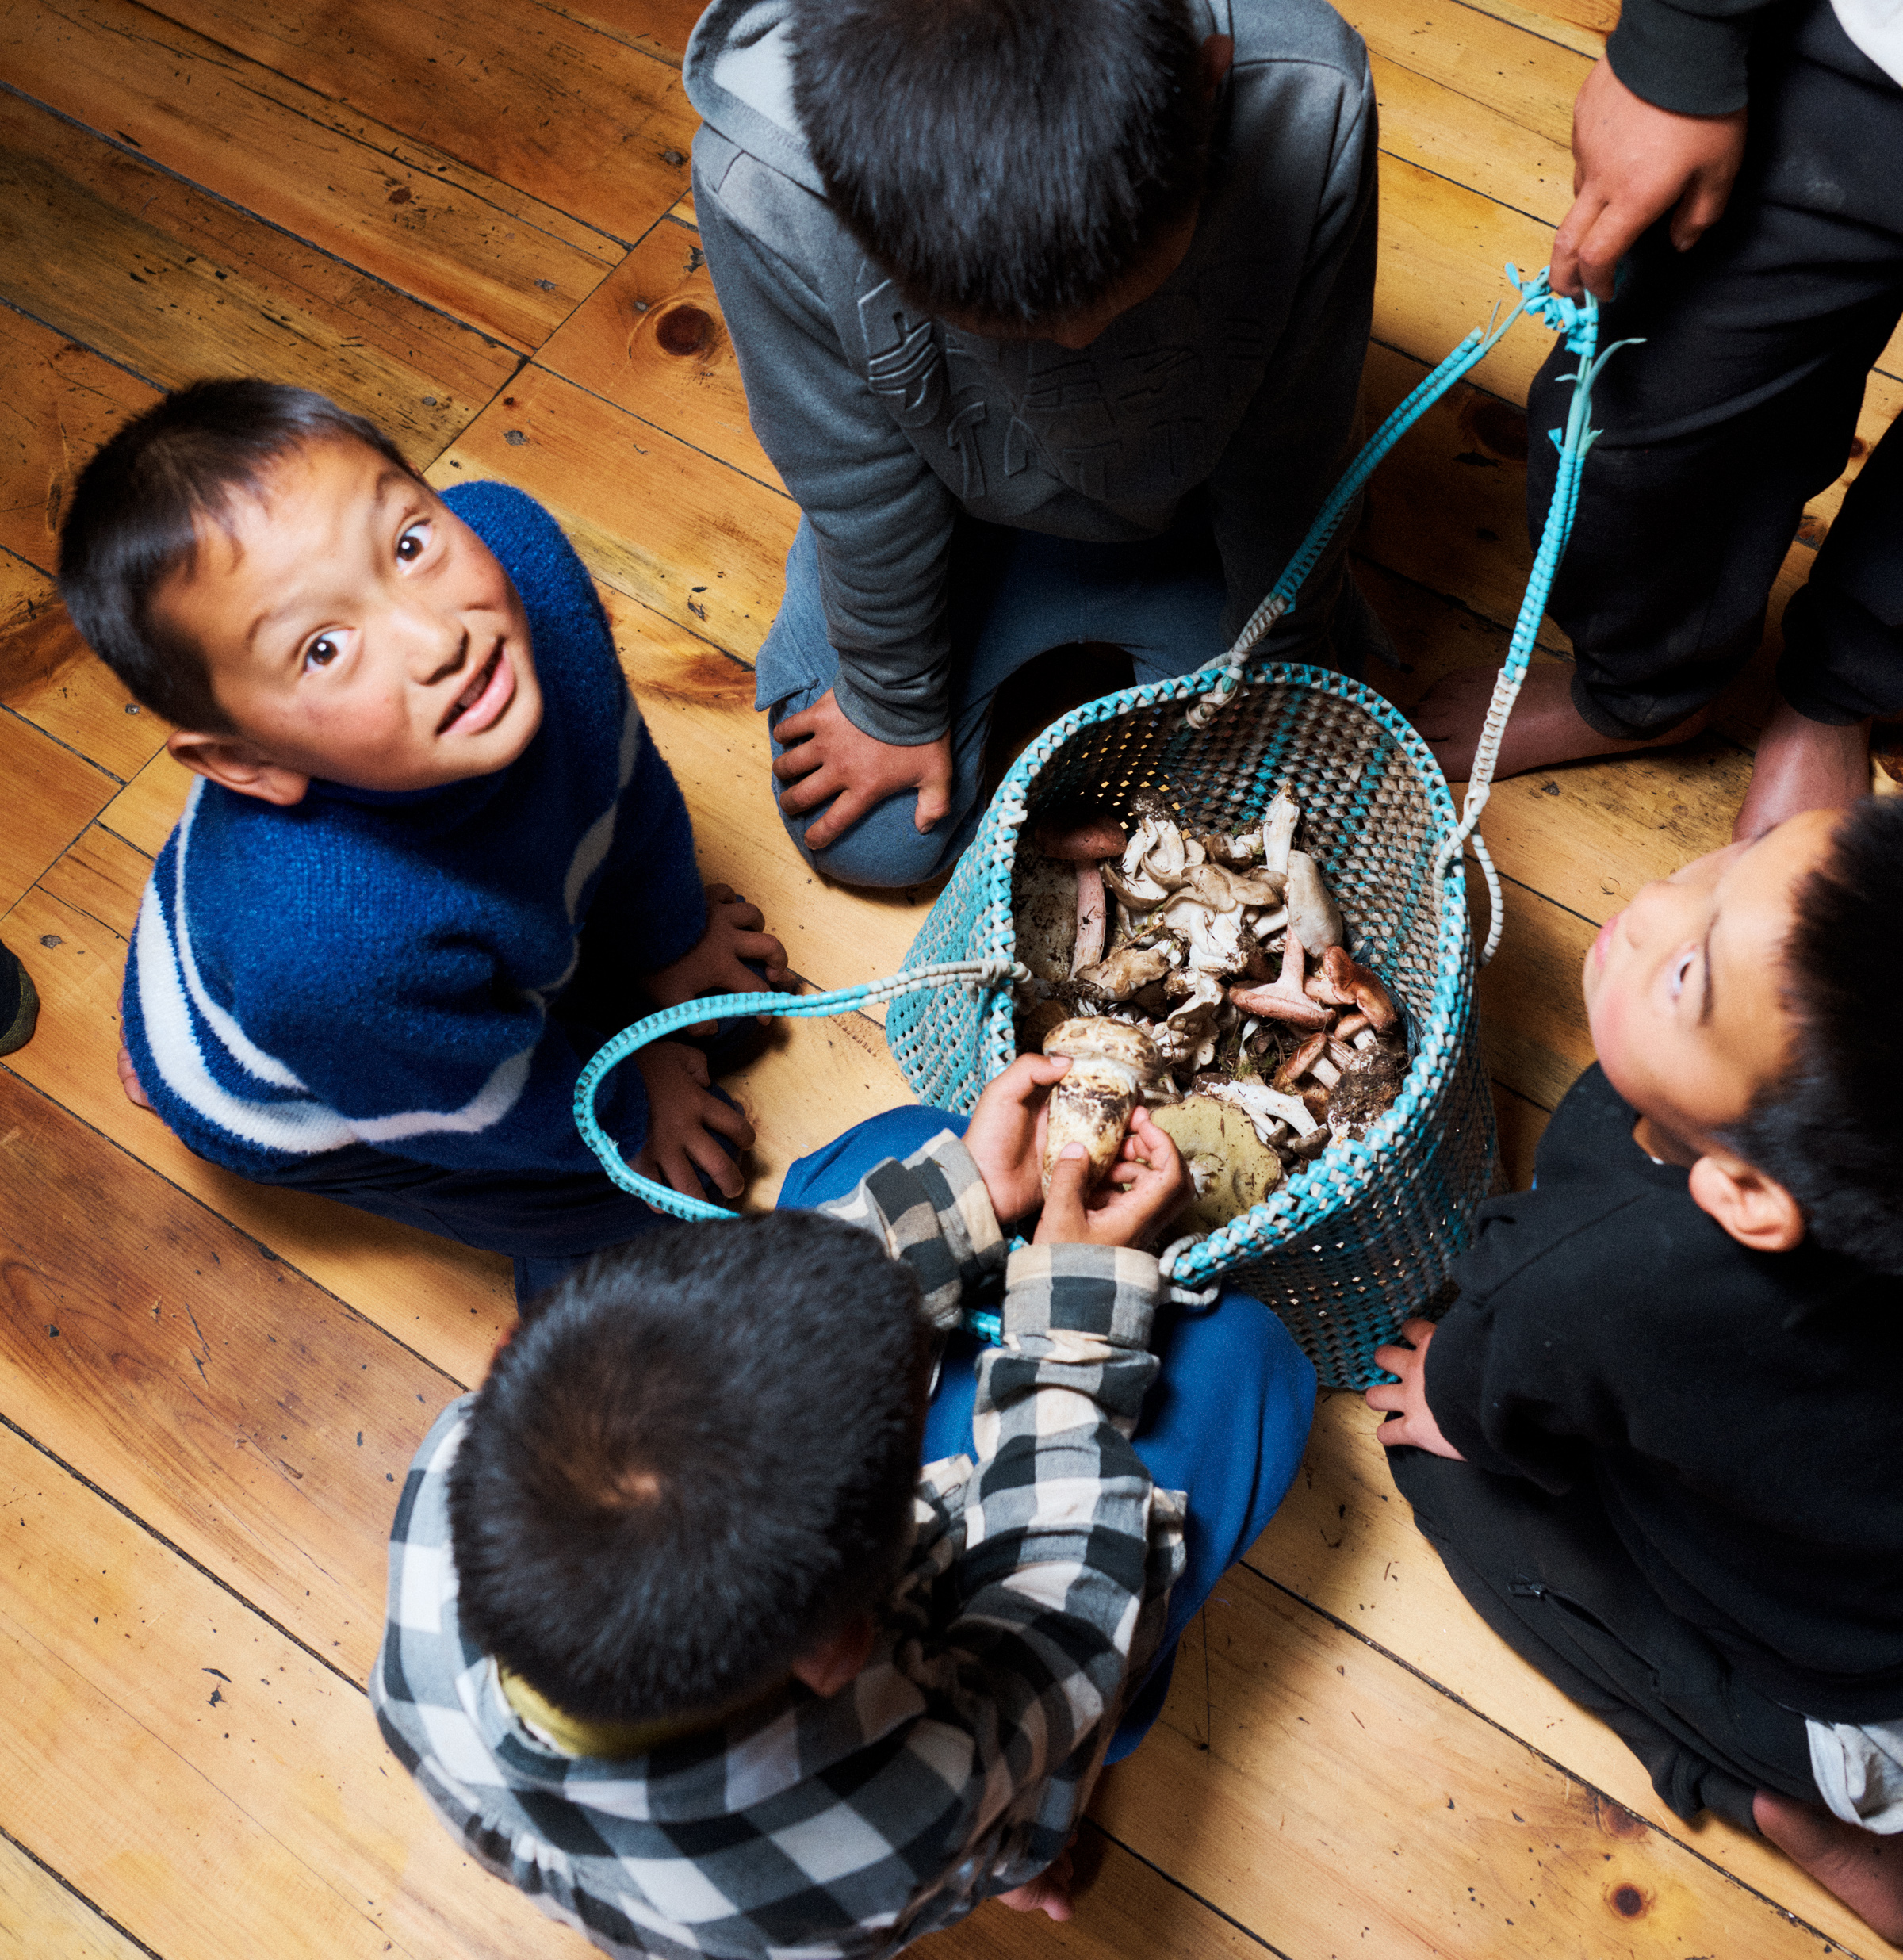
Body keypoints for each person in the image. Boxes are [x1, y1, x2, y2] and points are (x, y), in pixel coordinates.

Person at [373, 1054, 1317, 1958]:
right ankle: (1020, 1839)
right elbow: (1075, 1598)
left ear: (510, 1361)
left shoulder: (459, 1464)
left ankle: (1005, 1835)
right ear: (839, 1650)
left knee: (906, 1141)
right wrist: (1072, 1325)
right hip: (930, 1815)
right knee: (1242, 1362)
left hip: (702, 1865)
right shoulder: (903, 1813)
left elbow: (763, 1318)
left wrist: (970, 1199)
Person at [685, 0, 1377, 888]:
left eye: (1125, 295)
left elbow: (1295, 447)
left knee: (1295, 819)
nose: (1074, 349)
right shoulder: (767, 188)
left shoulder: (1310, 103)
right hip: (947, 503)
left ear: (1209, 77)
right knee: (877, 841)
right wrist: (892, 705)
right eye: (1006, 327)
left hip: (1187, 507)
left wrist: (1274, 664)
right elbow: (857, 477)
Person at [58, 380, 787, 1307]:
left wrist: (672, 937)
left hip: (366, 982)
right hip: (323, 1084)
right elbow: (474, 1112)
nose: (437, 635)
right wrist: (633, 1106)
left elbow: (621, 778)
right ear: (244, 759)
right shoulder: (333, 957)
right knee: (624, 1213)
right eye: (323, 647)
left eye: (408, 543)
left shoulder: (519, 557)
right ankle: (177, 1075)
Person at [1367, 800, 1903, 1946]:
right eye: (1739, 858)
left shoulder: (1585, 1273)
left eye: (1686, 980)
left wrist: (1460, 1402)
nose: (1657, 901)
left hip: (1853, 1696)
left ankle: (1760, 1785)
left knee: (1447, 1480)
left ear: (1751, 1195)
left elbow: (1483, 1401)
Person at [1419, 0, 1903, 839]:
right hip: (1866, 10)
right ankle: (1647, 682)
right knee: (1647, 414)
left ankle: (1842, 692)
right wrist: (1678, 36)